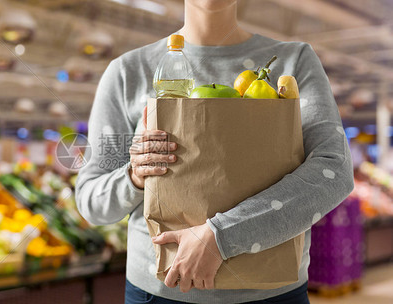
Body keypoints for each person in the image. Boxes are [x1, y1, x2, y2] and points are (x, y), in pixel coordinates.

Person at [75, 0, 354, 303]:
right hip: (159, 294)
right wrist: (135, 175)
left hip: (274, 294)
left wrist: (221, 237)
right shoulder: (127, 72)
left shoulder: (293, 62)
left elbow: (334, 170)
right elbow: (90, 199)